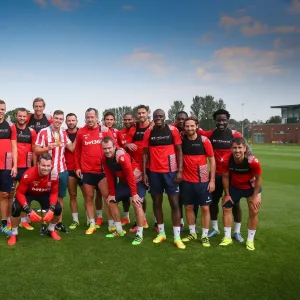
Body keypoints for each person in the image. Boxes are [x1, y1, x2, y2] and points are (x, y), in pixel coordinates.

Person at [199, 109, 244, 242]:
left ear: (227, 120)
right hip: (214, 176)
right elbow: (196, 130)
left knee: (235, 203)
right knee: (213, 202)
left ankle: (237, 231)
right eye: (218, 120)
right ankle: (214, 228)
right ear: (215, 120)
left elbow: (245, 152)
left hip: (232, 176)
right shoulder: (211, 134)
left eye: (223, 120)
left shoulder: (235, 134)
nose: (221, 122)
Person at [143, 109, 185, 249]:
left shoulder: (172, 130)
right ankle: (161, 233)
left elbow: (179, 150)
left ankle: (177, 237)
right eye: (156, 117)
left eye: (161, 116)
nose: (158, 118)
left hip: (171, 172)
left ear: (165, 117)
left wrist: (179, 170)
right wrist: (144, 173)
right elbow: (145, 154)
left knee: (174, 203)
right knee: (156, 203)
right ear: (152, 118)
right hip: (154, 173)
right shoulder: (148, 132)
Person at [8, 153, 62, 246]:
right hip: (28, 193)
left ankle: (51, 229)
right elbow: (20, 193)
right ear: (38, 164)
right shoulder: (29, 174)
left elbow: (54, 192)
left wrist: (51, 209)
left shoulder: (54, 174)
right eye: (43, 165)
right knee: (15, 208)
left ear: (51, 165)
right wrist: (28, 210)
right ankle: (14, 233)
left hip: (44, 193)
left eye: (48, 165)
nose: (46, 168)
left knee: (58, 208)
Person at [75, 108, 114, 235]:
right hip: (86, 171)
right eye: (88, 117)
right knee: (89, 198)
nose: (90, 119)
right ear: (85, 118)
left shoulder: (104, 130)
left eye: (92, 117)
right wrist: (77, 167)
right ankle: (92, 223)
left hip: (102, 171)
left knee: (107, 198)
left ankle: (111, 223)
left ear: (97, 118)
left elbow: (113, 148)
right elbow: (77, 151)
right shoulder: (81, 132)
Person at [35, 110, 74, 234]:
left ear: (63, 120)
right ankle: (44, 224)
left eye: (60, 119)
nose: (58, 120)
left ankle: (57, 223)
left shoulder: (63, 133)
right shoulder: (44, 132)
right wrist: (47, 148)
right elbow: (36, 149)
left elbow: (72, 148)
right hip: (46, 171)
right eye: (56, 118)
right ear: (53, 119)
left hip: (61, 170)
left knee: (60, 198)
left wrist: (81, 133)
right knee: (45, 198)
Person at [219, 137, 262, 251]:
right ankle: (227, 237)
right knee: (226, 207)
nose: (237, 150)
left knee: (254, 210)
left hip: (251, 188)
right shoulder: (225, 160)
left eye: (239, 148)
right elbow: (225, 176)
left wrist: (255, 196)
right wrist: (227, 194)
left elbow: (258, 178)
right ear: (231, 149)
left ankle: (250, 240)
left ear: (244, 148)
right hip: (235, 187)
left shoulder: (252, 161)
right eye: (234, 148)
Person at [102, 136, 146, 245]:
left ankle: (139, 234)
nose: (107, 151)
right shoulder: (104, 159)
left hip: (136, 181)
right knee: (111, 201)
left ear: (114, 146)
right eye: (104, 148)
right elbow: (110, 176)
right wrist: (112, 194)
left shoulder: (121, 156)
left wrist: (134, 194)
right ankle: (119, 230)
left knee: (137, 203)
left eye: (109, 148)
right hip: (123, 183)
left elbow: (130, 175)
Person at [180, 117, 216, 247]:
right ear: (184, 127)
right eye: (187, 126)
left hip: (202, 181)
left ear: (197, 126)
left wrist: (212, 181)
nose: (189, 128)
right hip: (186, 181)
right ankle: (192, 232)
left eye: (192, 126)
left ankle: (205, 235)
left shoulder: (204, 141)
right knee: (188, 207)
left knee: (205, 208)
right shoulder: (182, 140)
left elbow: (212, 160)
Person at [125, 105, 151, 232]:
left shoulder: (153, 127)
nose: (141, 115)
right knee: (137, 196)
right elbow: (126, 144)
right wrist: (128, 144)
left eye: (143, 113)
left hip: (151, 167)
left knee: (156, 197)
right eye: (139, 113)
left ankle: (155, 223)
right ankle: (140, 221)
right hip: (136, 168)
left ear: (148, 113)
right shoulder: (134, 129)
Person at [15, 108, 37, 231]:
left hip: (27, 168)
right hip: (13, 167)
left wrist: (34, 167)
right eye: (20, 116)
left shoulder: (32, 132)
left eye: (24, 116)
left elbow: (34, 150)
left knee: (26, 195)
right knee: (8, 194)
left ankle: (24, 220)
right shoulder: (12, 129)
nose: (22, 118)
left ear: (27, 118)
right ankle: (8, 220)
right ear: (16, 116)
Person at [0, 99, 17, 235]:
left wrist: (15, 165)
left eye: (2, 109)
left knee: (5, 194)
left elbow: (14, 147)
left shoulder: (10, 126)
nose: (0, 112)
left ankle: (5, 223)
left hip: (6, 166)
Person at [116, 112, 135, 226]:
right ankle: (126, 217)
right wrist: (126, 146)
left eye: (129, 119)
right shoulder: (120, 132)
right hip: (123, 167)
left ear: (133, 119)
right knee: (124, 196)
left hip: (136, 167)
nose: (127, 121)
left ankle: (143, 220)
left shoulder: (137, 129)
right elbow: (118, 147)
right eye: (125, 120)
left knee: (139, 194)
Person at [64, 113, 83, 229]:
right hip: (69, 168)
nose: (71, 122)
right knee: (73, 195)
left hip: (82, 168)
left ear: (77, 121)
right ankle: (75, 220)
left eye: (73, 120)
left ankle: (90, 219)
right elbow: (72, 148)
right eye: (69, 120)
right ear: (66, 122)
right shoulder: (63, 134)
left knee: (88, 196)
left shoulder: (83, 132)